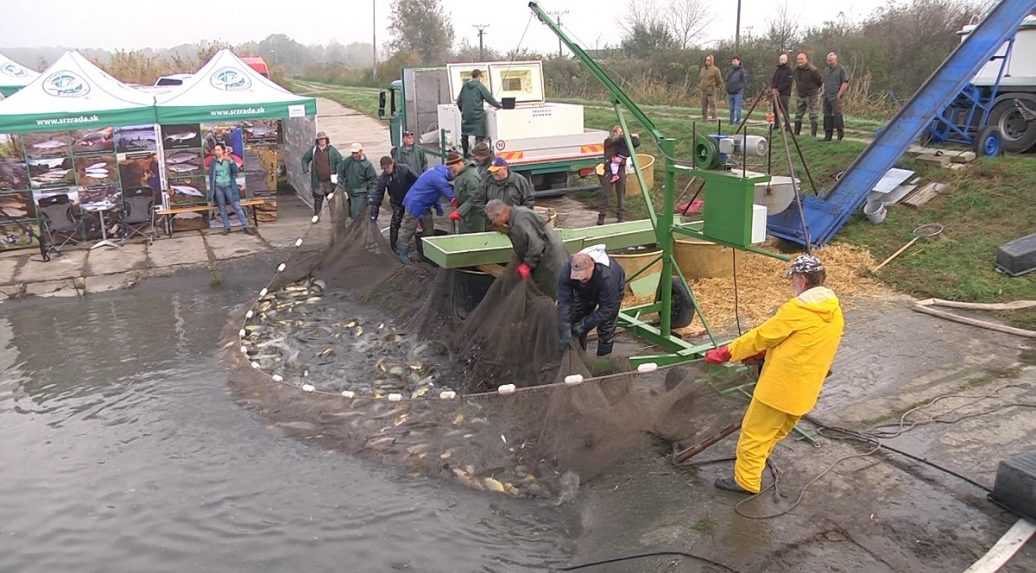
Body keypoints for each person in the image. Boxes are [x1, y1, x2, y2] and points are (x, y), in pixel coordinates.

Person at [704, 255, 845, 495]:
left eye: (793, 279)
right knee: (775, 432)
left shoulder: (799, 308)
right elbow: (804, 342)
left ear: (801, 279)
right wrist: (765, 354)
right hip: (805, 391)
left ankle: (746, 481)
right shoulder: (834, 311)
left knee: (753, 434)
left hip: (778, 390)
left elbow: (762, 336)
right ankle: (756, 465)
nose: (792, 284)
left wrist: (727, 352)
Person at [485, 199, 566, 299]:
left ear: (500, 214)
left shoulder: (520, 220)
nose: (494, 223)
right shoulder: (515, 216)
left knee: (551, 291)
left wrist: (527, 265)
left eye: (493, 220)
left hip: (550, 257)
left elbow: (536, 245)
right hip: (545, 254)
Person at [557, 245, 626, 356]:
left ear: (592, 267)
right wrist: (564, 326)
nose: (581, 280)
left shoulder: (608, 277)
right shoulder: (566, 270)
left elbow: (608, 309)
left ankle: (604, 359)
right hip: (584, 292)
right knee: (575, 319)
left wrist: (585, 324)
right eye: (577, 278)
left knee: (606, 327)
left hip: (610, 292)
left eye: (584, 278)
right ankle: (579, 354)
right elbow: (564, 300)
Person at [397, 151, 464, 264]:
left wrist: (437, 206)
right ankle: (402, 252)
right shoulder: (439, 178)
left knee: (428, 228)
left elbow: (433, 192)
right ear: (451, 170)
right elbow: (450, 195)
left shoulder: (439, 171)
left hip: (425, 204)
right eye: (455, 173)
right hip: (415, 204)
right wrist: (460, 206)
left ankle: (425, 253)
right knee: (408, 228)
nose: (455, 176)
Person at [372, 156, 419, 251]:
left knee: (416, 219)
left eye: (388, 167)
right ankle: (394, 246)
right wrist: (374, 213)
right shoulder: (383, 178)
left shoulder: (404, 169)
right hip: (397, 201)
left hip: (411, 199)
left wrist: (417, 195)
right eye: (384, 169)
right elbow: (378, 194)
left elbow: (417, 180)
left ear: (392, 164)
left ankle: (420, 240)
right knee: (395, 222)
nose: (386, 170)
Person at [207, 143, 254, 235]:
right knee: (221, 207)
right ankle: (226, 227)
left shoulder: (229, 160)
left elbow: (236, 171)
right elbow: (211, 175)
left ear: (223, 150)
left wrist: (231, 162)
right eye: (215, 150)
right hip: (218, 187)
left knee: (236, 206)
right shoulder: (213, 162)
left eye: (218, 150)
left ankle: (245, 226)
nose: (216, 152)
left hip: (229, 186)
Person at [597, 126, 640, 225]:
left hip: (620, 170)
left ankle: (621, 216)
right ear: (613, 132)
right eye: (617, 132)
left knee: (621, 195)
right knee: (605, 194)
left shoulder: (623, 142)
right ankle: (601, 217)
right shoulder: (608, 141)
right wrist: (629, 135)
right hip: (608, 171)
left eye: (621, 132)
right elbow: (615, 140)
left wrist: (634, 138)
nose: (619, 134)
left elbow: (635, 144)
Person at [456, 69, 502, 158]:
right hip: (477, 116)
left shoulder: (465, 86)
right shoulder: (480, 86)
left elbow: (459, 101)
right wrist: (499, 106)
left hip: (466, 115)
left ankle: (465, 153)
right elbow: (489, 98)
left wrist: (463, 111)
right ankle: (478, 155)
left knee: (465, 134)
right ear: (479, 76)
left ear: (472, 76)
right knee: (479, 136)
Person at [301, 131, 342, 215]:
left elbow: (340, 162)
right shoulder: (313, 150)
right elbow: (305, 159)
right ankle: (317, 215)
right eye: (320, 139)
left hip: (329, 181)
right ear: (317, 141)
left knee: (331, 199)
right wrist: (305, 169)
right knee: (318, 199)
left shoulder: (332, 150)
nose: (322, 141)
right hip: (318, 181)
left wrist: (337, 173)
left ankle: (334, 218)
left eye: (323, 139)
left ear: (327, 140)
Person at [336, 142, 377, 220]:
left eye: (356, 153)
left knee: (356, 214)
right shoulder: (347, 161)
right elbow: (340, 170)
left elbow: (373, 181)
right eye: (353, 153)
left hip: (360, 194)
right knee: (347, 213)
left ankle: (358, 230)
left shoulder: (367, 165)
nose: (354, 155)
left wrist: (370, 194)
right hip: (348, 192)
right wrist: (340, 180)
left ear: (361, 152)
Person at [449, 156, 486, 233]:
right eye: (449, 169)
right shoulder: (461, 173)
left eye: (452, 168)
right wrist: (457, 198)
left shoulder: (471, 177)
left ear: (459, 163)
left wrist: (459, 212)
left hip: (474, 218)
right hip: (466, 215)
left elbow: (475, 197)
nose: (451, 171)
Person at [793, 52, 823, 138]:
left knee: (813, 114)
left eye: (801, 59)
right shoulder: (796, 70)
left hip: (811, 95)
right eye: (798, 59)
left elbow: (819, 82)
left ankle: (813, 135)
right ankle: (796, 134)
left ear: (806, 59)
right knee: (798, 115)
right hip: (800, 94)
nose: (799, 61)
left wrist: (813, 90)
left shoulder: (813, 70)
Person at [822, 52, 850, 141]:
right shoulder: (826, 70)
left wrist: (839, 94)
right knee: (826, 115)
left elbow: (845, 82)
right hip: (827, 95)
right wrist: (823, 92)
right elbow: (824, 82)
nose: (830, 62)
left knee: (837, 115)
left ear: (835, 60)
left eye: (831, 60)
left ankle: (840, 135)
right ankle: (828, 135)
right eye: (828, 60)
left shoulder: (841, 69)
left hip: (836, 96)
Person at [770, 54, 794, 131]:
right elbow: (774, 80)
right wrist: (773, 88)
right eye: (781, 59)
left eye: (783, 59)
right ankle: (776, 125)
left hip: (784, 94)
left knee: (784, 110)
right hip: (775, 93)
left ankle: (787, 127)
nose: (782, 61)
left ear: (786, 60)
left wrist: (779, 89)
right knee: (775, 110)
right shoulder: (778, 69)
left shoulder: (789, 70)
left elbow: (788, 82)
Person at [698, 54, 724, 121]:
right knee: (703, 106)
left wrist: (714, 87)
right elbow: (701, 78)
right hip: (703, 90)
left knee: (712, 106)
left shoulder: (715, 70)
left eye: (709, 60)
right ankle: (704, 119)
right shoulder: (703, 69)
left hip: (711, 91)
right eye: (706, 60)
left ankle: (714, 119)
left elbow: (719, 80)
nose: (707, 61)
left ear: (712, 61)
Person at [725, 56, 748, 126]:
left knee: (737, 108)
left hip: (738, 93)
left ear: (739, 61)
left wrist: (739, 88)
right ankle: (731, 122)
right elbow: (727, 79)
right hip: (730, 92)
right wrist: (727, 88)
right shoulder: (730, 71)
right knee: (731, 108)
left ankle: (737, 122)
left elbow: (744, 82)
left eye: (735, 61)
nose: (734, 62)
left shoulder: (742, 71)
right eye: (733, 61)